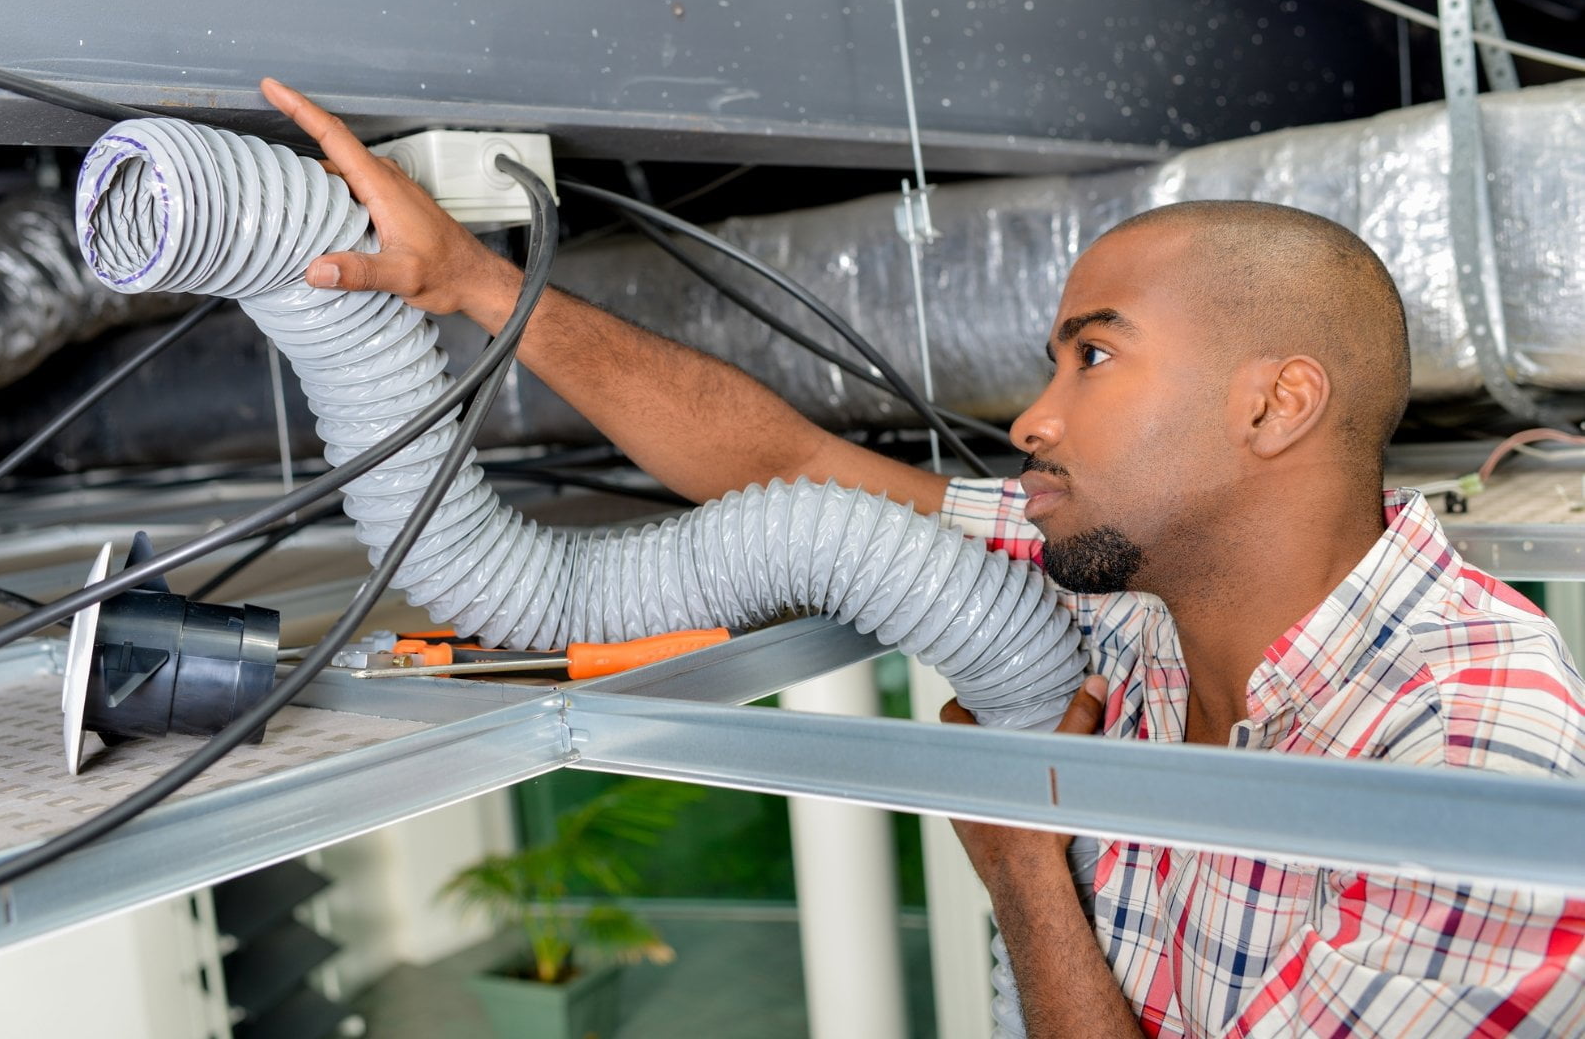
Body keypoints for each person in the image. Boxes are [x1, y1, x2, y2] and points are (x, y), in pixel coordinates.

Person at [260, 79, 1585, 1037]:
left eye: (1095, 356)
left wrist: (1021, 864)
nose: (1033, 418)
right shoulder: (1145, 594)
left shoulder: (1474, 767)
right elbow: (798, 480)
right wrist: (480, 287)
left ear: (1274, 405)